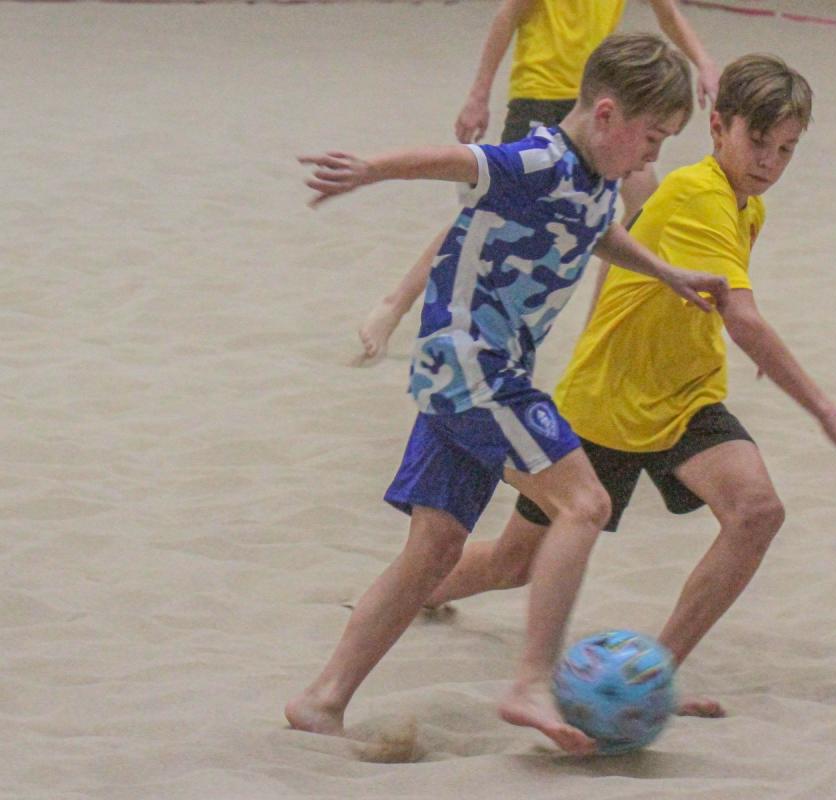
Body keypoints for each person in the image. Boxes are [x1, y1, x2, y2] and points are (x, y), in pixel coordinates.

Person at [285, 34, 729, 756]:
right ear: (607, 115)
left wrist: (667, 273)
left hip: (469, 372)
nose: (654, 155)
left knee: (434, 550)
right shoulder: (539, 159)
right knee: (585, 504)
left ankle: (321, 699)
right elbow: (455, 160)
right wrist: (369, 170)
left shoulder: (595, 177)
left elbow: (594, 231)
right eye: (652, 137)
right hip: (473, 365)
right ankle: (529, 682)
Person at [419, 54, 836, 717]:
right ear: (718, 126)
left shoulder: (745, 204)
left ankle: (652, 676)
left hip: (683, 397)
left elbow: (719, 303)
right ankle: (409, 595)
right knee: (513, 563)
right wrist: (829, 415)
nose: (769, 162)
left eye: (786, 149)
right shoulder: (699, 195)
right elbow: (743, 317)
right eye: (758, 141)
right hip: (607, 403)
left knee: (756, 512)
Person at [357, 0, 721, 361]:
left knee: (640, 200)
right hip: (541, 92)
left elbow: (668, 15)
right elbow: (508, 14)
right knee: (488, 207)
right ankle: (395, 304)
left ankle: (592, 335)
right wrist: (478, 95)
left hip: (611, 102)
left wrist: (704, 62)